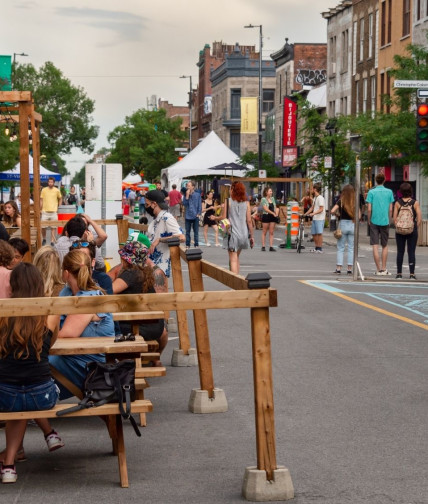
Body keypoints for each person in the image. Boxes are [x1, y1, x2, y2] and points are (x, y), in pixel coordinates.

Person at [0, 263, 62, 483]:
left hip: (5, 394)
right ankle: (49, 434)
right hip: (42, 395)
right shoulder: (50, 313)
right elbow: (52, 345)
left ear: (13, 284)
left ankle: (9, 466)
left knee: (18, 397)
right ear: (39, 284)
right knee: (28, 394)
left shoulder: (2, 313)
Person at [49, 250, 114, 399]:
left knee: (35, 363)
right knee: (31, 362)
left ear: (65, 273)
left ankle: (29, 404)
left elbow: (67, 334)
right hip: (74, 356)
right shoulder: (67, 292)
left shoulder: (89, 298)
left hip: (91, 364)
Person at [112, 241, 168, 366]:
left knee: (107, 326)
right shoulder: (146, 272)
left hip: (138, 326)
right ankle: (155, 359)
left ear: (126, 259)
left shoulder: (131, 273)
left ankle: (119, 363)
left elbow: (110, 291)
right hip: (155, 326)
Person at [214, 181, 254, 274]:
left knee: (233, 259)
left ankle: (235, 284)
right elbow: (249, 220)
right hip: (243, 233)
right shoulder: (246, 203)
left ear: (233, 190)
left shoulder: (228, 201)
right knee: (236, 258)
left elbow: (224, 218)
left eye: (231, 188)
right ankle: (238, 280)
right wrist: (251, 236)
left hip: (232, 234)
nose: (229, 190)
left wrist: (217, 218)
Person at [145, 189, 184, 278]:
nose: (146, 207)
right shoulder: (157, 218)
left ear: (154, 204)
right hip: (152, 263)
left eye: (147, 204)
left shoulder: (167, 218)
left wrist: (160, 240)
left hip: (160, 266)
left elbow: (181, 237)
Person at [366, 173, 395, 275]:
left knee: (375, 245)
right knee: (385, 245)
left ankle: (378, 269)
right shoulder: (389, 192)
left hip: (374, 220)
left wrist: (369, 220)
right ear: (384, 180)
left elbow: (369, 209)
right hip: (385, 220)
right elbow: (391, 209)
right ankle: (384, 268)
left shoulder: (371, 192)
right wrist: (390, 220)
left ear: (375, 180)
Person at [393, 182, 422, 280]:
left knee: (400, 251)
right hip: (412, 230)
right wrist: (414, 227)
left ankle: (399, 273)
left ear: (400, 192)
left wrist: (399, 226)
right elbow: (419, 218)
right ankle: (412, 274)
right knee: (411, 251)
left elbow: (394, 219)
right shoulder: (415, 203)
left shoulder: (397, 203)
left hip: (400, 231)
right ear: (410, 191)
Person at [331, 185, 359, 275]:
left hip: (342, 225)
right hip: (352, 224)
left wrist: (337, 215)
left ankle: (338, 268)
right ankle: (349, 268)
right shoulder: (355, 202)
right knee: (351, 248)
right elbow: (359, 216)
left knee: (340, 247)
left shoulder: (341, 201)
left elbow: (332, 211)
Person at [40, 176, 62, 245]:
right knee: (43, 226)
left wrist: (59, 206)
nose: (50, 183)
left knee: (54, 226)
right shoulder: (44, 190)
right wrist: (40, 208)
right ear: (48, 182)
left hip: (53, 211)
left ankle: (52, 241)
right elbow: (41, 199)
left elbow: (60, 198)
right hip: (45, 211)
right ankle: (44, 238)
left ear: (54, 183)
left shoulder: (57, 190)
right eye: (49, 182)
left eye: (51, 182)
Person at [305, 183, 326, 253]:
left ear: (315, 189)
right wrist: (305, 214)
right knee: (314, 233)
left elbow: (321, 209)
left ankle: (320, 248)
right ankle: (316, 247)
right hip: (315, 218)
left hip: (320, 218)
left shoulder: (320, 198)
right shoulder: (315, 198)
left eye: (312, 189)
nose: (311, 190)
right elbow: (312, 207)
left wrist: (313, 213)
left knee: (319, 233)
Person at [183, 181, 202, 248]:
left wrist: (198, 213)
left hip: (195, 215)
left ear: (193, 187)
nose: (187, 187)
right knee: (187, 231)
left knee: (196, 231)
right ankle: (187, 244)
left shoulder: (197, 195)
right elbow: (184, 204)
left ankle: (196, 244)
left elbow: (199, 205)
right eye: (187, 186)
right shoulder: (185, 194)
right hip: (188, 215)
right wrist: (187, 195)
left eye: (189, 186)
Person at [260, 187, 279, 252]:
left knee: (271, 232)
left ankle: (271, 246)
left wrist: (276, 213)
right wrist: (273, 213)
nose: (271, 192)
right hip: (266, 215)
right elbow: (265, 209)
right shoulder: (263, 199)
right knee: (264, 231)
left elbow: (275, 206)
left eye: (271, 191)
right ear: (266, 192)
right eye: (270, 191)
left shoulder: (273, 198)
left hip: (273, 216)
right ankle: (263, 246)